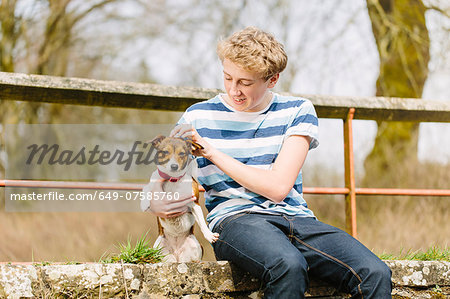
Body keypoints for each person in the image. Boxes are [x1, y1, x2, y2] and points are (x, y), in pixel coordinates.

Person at [148, 26, 392, 298]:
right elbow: (163, 177)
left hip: (297, 219)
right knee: (287, 265)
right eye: (228, 78)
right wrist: (157, 198)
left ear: (272, 79)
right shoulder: (197, 116)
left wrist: (212, 152)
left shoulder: (297, 111)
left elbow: (277, 188)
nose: (233, 90)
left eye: (245, 82)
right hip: (234, 220)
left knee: (375, 273)